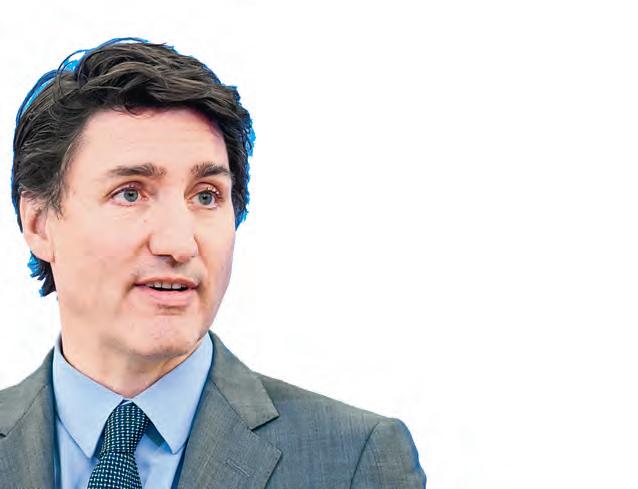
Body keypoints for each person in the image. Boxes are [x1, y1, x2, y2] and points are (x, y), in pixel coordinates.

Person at [0, 38, 426, 488]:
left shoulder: (352, 461)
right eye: (130, 193)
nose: (179, 244)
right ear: (40, 223)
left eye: (206, 196)